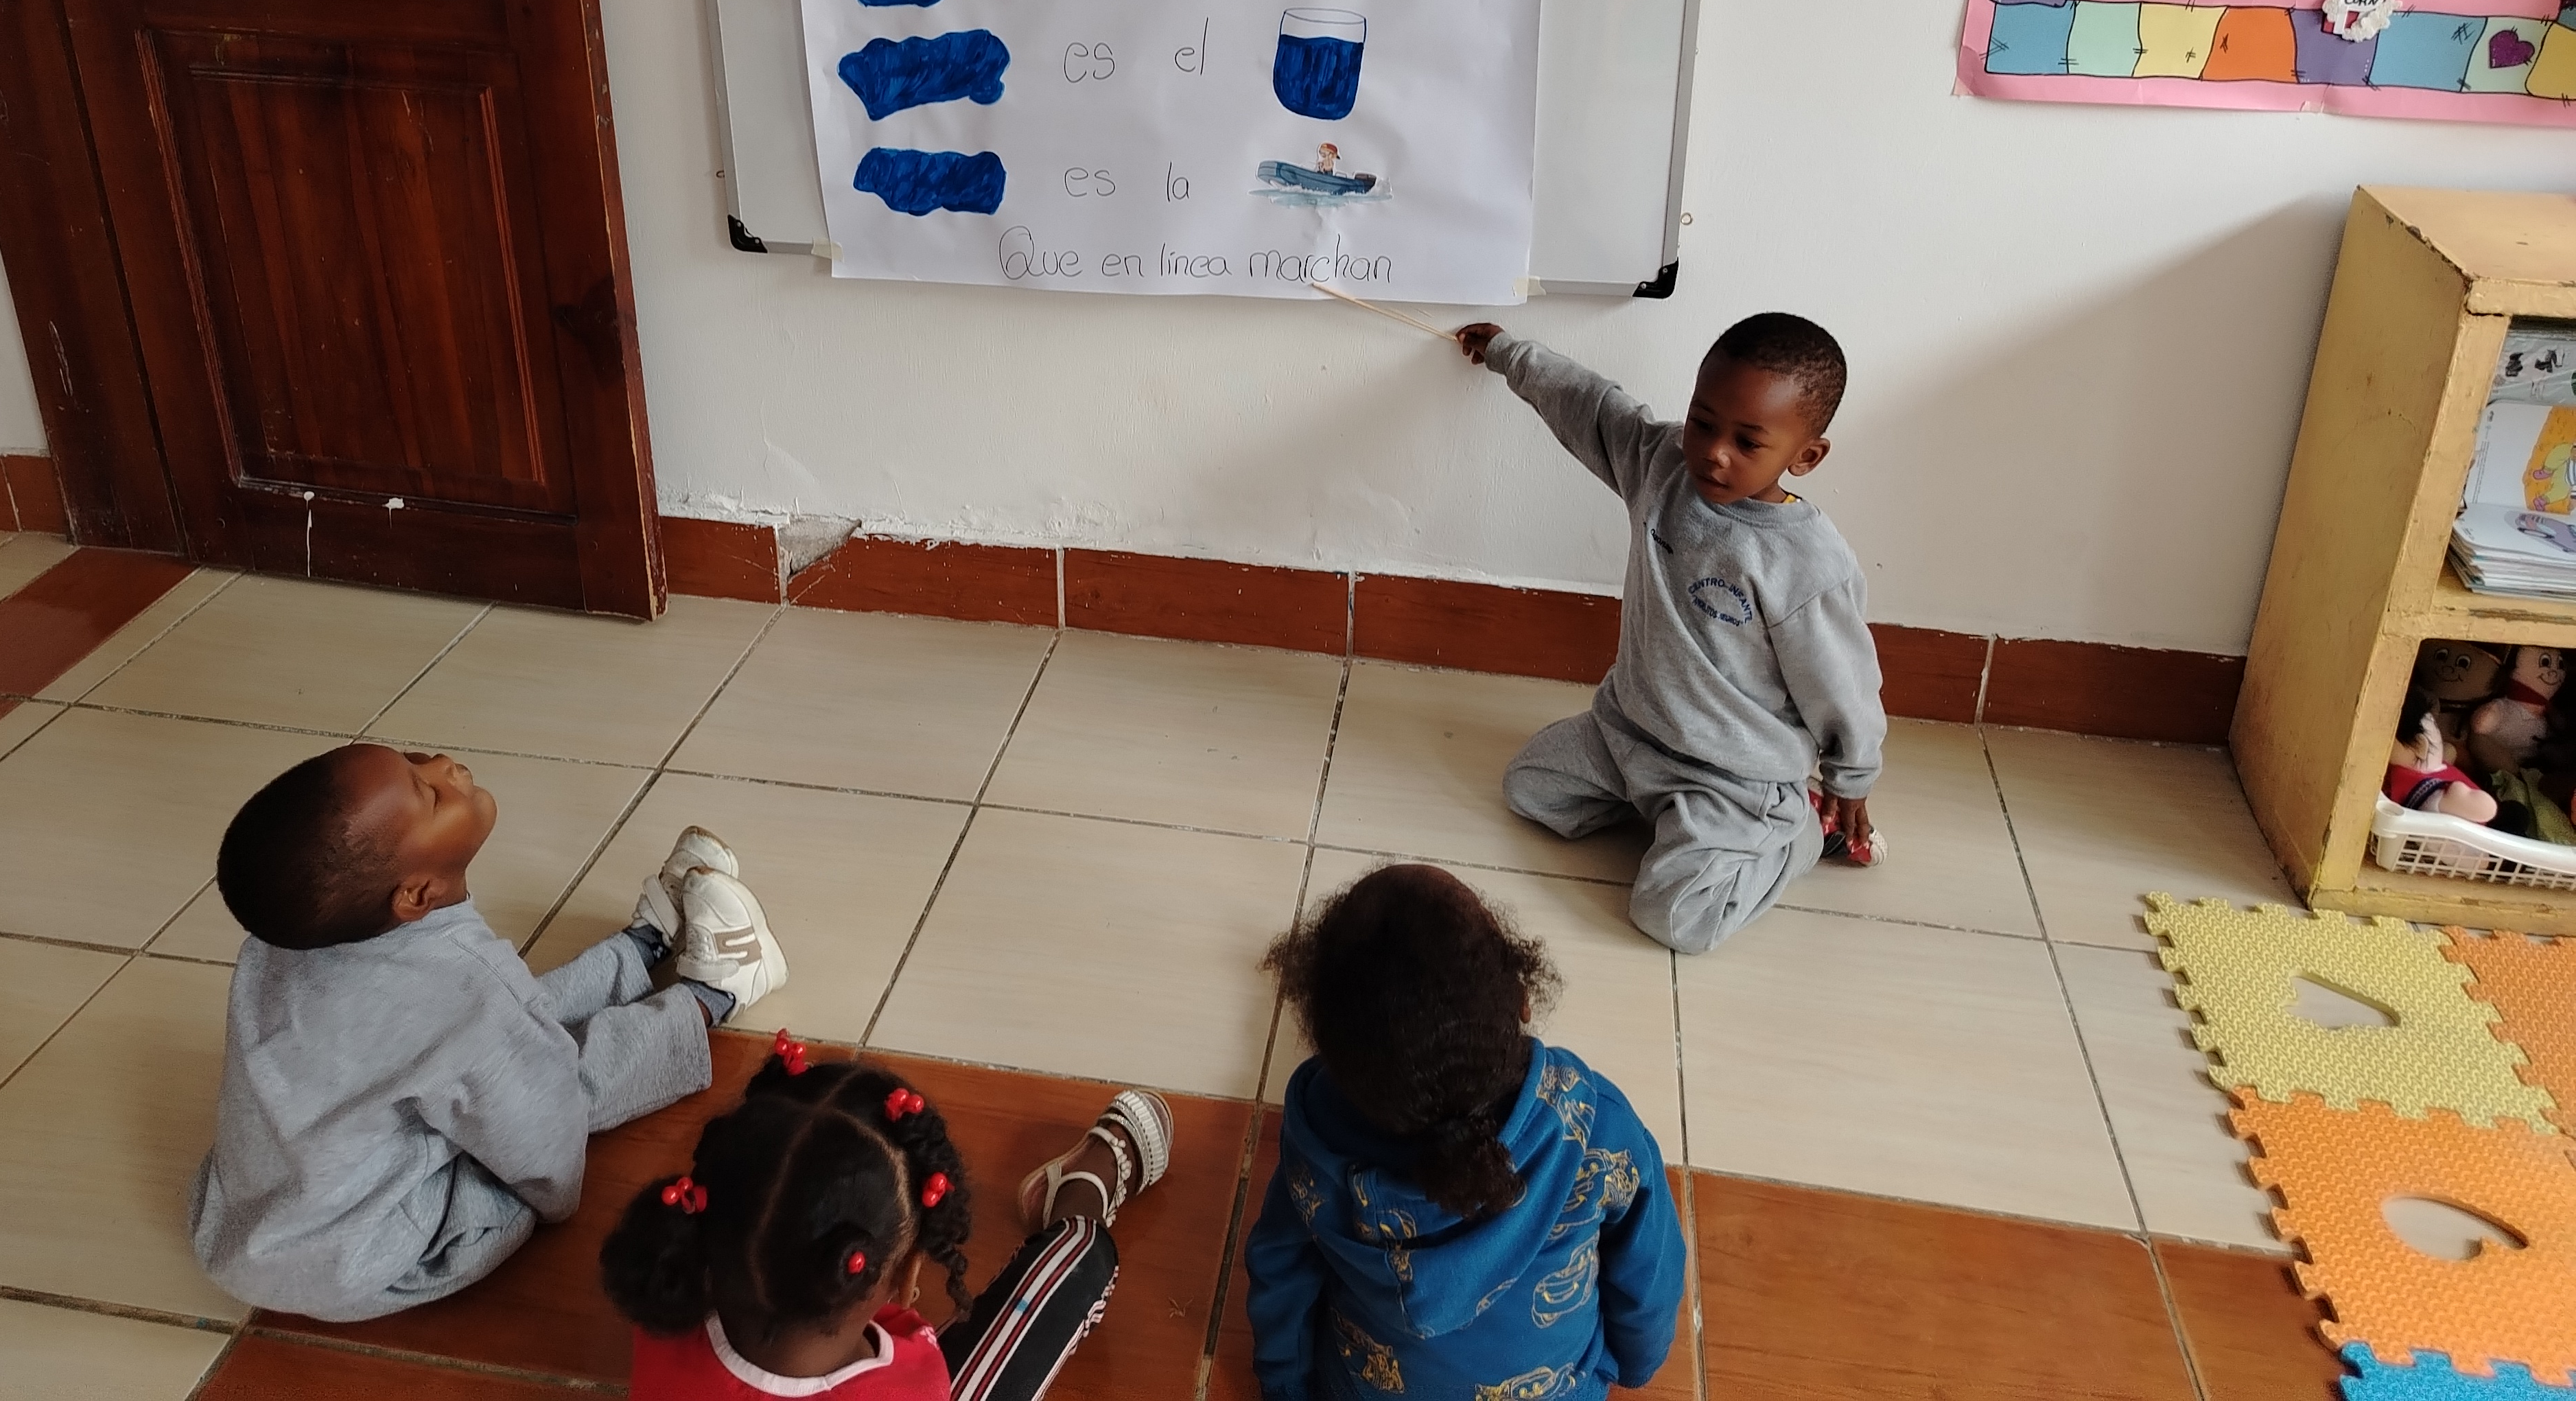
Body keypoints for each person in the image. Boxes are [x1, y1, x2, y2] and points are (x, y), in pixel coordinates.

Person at [189, 742, 786, 1320]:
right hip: (367, 1255)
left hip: (252, 1222)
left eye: (412, 759)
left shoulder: (284, 939)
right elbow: (548, 1140)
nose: (443, 765)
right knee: (545, 1082)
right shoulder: (468, 991)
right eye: (428, 794)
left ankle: (640, 949)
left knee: (502, 1040)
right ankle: (714, 995)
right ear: (416, 894)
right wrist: (551, 1199)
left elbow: (478, 1025)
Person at [1458, 312, 1888, 953]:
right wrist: (1508, 353)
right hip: (1630, 731)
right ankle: (1667, 816)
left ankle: (1797, 831)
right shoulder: (1658, 465)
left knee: (1675, 919)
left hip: (1733, 775)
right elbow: (1591, 405)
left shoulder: (1808, 566)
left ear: (1805, 456)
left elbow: (1844, 685)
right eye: (1703, 423)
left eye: (1748, 443)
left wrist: (1851, 779)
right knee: (1530, 788)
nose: (1714, 451)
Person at [1245, 863, 1683, 1401]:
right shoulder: (1593, 1124)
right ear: (1523, 998)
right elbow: (1651, 1271)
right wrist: (1634, 1365)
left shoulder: (1316, 1132)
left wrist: (1285, 1384)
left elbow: (1280, 1267)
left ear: (1330, 1053)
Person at [602, 1038, 1172, 1400]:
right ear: (905, 1274)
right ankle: (1078, 1210)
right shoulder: (910, 1385)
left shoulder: (664, 1302)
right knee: (1079, 1260)